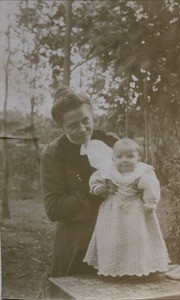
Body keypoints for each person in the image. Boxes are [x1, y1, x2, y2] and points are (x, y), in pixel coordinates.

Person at [40, 85, 117, 298]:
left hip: (116, 241)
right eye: (73, 125)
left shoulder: (110, 141)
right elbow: (53, 208)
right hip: (78, 247)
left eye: (86, 120)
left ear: (92, 115)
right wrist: (94, 192)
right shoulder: (54, 153)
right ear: (61, 125)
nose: (82, 129)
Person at [83, 138, 169, 277]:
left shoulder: (141, 171)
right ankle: (113, 268)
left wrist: (150, 202)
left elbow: (150, 185)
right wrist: (98, 187)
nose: (125, 160)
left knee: (137, 238)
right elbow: (96, 178)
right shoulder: (108, 170)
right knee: (112, 238)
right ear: (113, 158)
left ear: (138, 158)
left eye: (130, 156)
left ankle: (139, 267)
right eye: (119, 156)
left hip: (135, 209)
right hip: (113, 210)